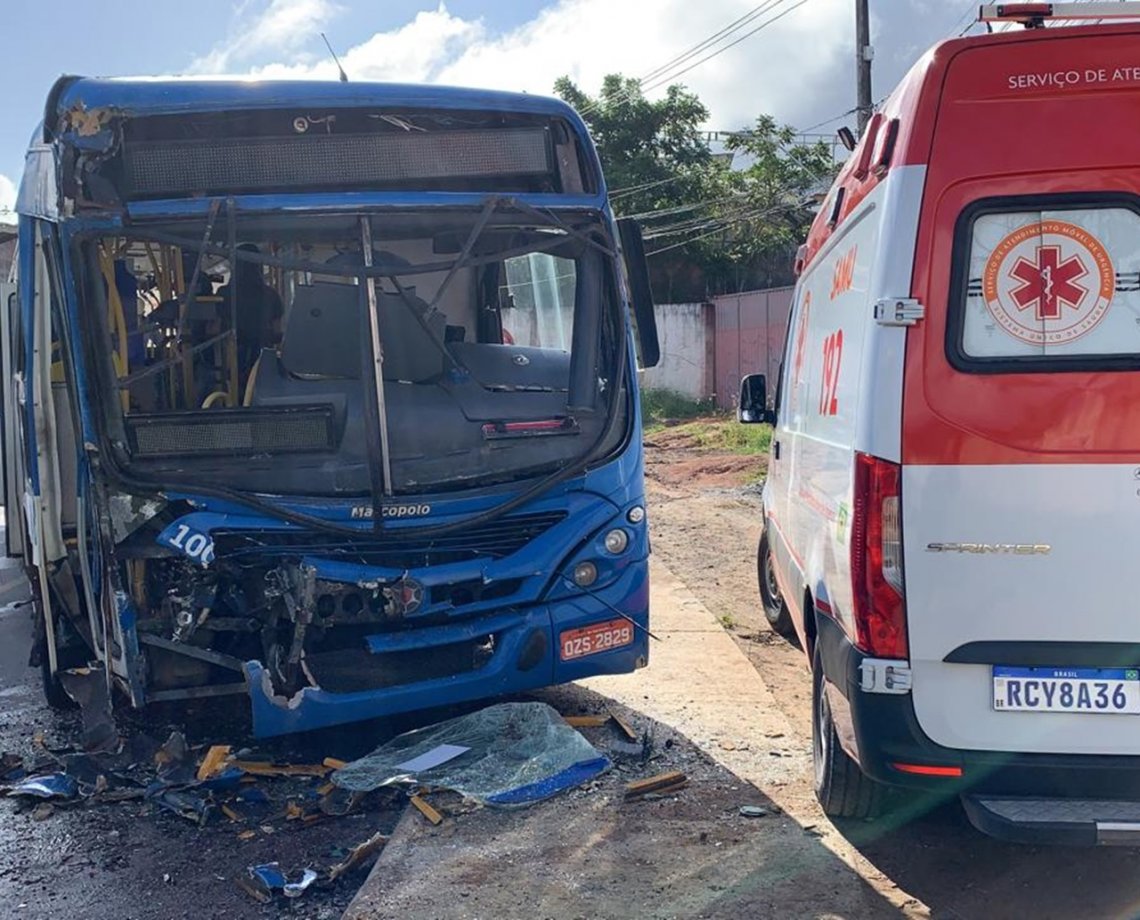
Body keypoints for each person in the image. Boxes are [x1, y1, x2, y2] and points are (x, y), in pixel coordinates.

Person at [217, 243, 285, 377]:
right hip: (263, 357)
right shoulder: (271, 294)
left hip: (233, 357)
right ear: (259, 265)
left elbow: (214, 327)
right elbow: (277, 331)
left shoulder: (224, 293)